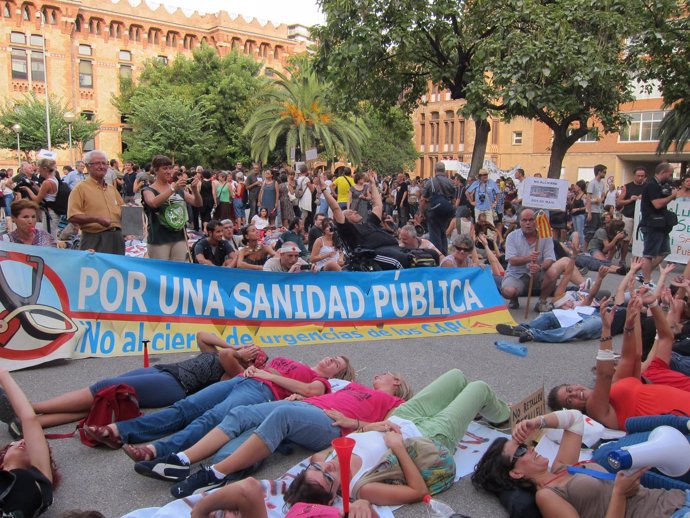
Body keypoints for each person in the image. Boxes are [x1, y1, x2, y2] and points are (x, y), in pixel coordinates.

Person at [272, 369, 510, 515]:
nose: (327, 467)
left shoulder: (320, 459)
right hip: (426, 438)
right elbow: (417, 491)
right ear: (332, 496)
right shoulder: (362, 487)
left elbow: (353, 441)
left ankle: (480, 410)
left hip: (399, 418)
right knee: (479, 388)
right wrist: (397, 447)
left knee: (457, 377)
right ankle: (504, 417)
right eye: (327, 478)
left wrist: (369, 426)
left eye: (316, 469)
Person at [84, 338, 353, 462]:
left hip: (263, 392)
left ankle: (158, 450)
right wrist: (251, 363)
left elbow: (308, 392)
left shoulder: (323, 383)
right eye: (332, 355)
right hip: (245, 380)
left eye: (336, 362)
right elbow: (209, 340)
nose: (330, 358)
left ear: (338, 373)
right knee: (185, 407)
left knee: (212, 418)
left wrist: (268, 375)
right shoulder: (293, 361)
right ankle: (120, 430)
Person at [152, 372, 413, 498]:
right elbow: (322, 394)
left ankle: (213, 474)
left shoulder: (393, 402)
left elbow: (392, 427)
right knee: (243, 412)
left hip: (331, 424)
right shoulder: (352, 386)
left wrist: (355, 422)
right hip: (310, 407)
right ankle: (181, 460)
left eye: (387, 374)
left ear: (397, 383)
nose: (380, 375)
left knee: (282, 416)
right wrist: (305, 396)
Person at [471, 406, 690, 518]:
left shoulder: (561, 468)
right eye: (520, 451)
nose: (529, 448)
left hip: (677, 500)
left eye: (525, 444)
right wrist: (619, 494)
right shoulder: (547, 495)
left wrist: (538, 422)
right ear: (516, 473)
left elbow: (575, 419)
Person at [0, 339, 252, 434]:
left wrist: (238, 352)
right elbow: (202, 335)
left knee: (104, 387)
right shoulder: (220, 352)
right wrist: (232, 342)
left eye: (255, 352)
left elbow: (227, 356)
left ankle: (28, 408)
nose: (251, 348)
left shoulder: (235, 371)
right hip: (161, 372)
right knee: (104, 401)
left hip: (173, 384)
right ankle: (30, 424)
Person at [547, 292, 690, 430]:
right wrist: (606, 329)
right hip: (682, 420)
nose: (575, 393)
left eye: (570, 389)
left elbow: (631, 356)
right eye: (570, 400)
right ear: (572, 411)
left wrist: (629, 325)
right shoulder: (595, 410)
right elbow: (604, 375)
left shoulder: (615, 386)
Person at [321, 173, 416, 269]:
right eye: (351, 213)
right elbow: (336, 209)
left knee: (426, 255)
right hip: (376, 253)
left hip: (395, 246)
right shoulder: (350, 230)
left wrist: (372, 183)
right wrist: (324, 190)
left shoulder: (369, 223)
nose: (354, 211)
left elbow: (378, 205)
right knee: (404, 260)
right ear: (346, 220)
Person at [0, 369, 57, 516]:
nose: (24, 441)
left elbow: (28, 418)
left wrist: (2, 374)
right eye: (16, 442)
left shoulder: (41, 478)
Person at [500, 208, 569, 311]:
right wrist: (528, 258)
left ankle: (541, 302)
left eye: (531, 220)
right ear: (520, 222)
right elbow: (511, 260)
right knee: (508, 291)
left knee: (554, 271)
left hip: (538, 272)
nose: (528, 223)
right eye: (524, 220)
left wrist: (540, 267)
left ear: (536, 221)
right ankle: (514, 298)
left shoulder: (545, 235)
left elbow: (550, 258)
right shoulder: (512, 236)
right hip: (517, 274)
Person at [142, 155, 202, 261]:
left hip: (179, 237)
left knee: (178, 271)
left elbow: (197, 203)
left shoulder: (178, 188)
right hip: (159, 239)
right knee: (161, 272)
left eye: (170, 168)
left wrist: (195, 190)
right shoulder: (148, 190)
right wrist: (173, 189)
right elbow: (153, 203)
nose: (169, 171)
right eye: (165, 168)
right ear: (156, 170)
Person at [67, 150, 125, 255]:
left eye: (104, 163)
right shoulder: (80, 189)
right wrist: (96, 219)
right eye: (97, 163)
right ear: (88, 166)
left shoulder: (111, 189)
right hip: (94, 238)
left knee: (116, 271)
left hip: (117, 238)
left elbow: (123, 210)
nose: (102, 166)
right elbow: (72, 216)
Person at [640, 162, 677, 284]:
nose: (671, 177)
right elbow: (657, 204)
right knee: (649, 253)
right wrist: (672, 196)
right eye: (670, 174)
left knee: (664, 251)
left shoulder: (660, 185)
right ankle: (646, 280)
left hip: (661, 225)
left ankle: (644, 273)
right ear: (663, 172)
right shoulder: (651, 185)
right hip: (652, 224)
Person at [418, 162, 456, 255]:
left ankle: (437, 256)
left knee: (435, 235)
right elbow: (454, 200)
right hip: (446, 211)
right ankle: (444, 254)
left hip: (433, 211)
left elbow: (423, 199)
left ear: (435, 171)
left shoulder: (430, 182)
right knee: (443, 233)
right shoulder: (450, 182)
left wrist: (421, 213)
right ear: (444, 171)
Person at [18, 157, 59, 238]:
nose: (37, 170)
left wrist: (27, 188)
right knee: (51, 235)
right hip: (53, 212)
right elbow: (46, 193)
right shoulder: (54, 179)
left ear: (44, 169)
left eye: (39, 168)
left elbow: (36, 200)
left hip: (48, 213)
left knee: (48, 237)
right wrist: (35, 186)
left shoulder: (46, 182)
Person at [584, 164, 607, 245]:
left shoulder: (602, 183)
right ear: (599, 172)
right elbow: (588, 198)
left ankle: (593, 248)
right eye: (604, 172)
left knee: (597, 231)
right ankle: (585, 250)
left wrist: (601, 199)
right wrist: (589, 213)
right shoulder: (592, 183)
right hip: (592, 210)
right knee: (590, 231)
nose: (605, 173)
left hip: (599, 211)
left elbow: (603, 194)